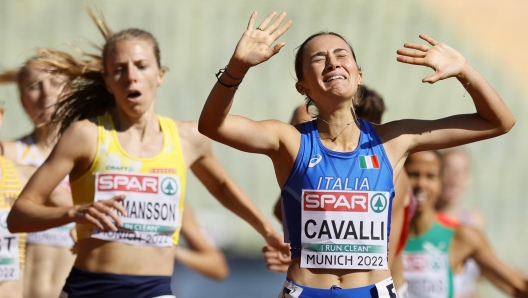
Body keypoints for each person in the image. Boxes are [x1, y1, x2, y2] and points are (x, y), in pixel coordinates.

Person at [198, 11, 515, 297]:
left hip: (372, 291)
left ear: (358, 75)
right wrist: (237, 68)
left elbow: (498, 122)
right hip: (306, 291)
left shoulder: (394, 139)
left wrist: (464, 71)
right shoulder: (289, 140)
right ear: (302, 87)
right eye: (319, 59)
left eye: (341, 55)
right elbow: (213, 126)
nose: (333, 62)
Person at [6, 18, 285, 297]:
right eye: (119, 69)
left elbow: (222, 187)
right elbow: (19, 216)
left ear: (160, 74)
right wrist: (75, 212)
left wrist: (267, 231)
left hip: (154, 289)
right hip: (89, 288)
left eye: (141, 66)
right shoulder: (86, 135)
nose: (131, 76)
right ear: (108, 81)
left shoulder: (187, 139)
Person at [265, 85, 413, 297]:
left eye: (305, 126)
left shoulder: (387, 172)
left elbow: (378, 260)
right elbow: (282, 212)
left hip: (375, 287)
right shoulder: (311, 163)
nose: (305, 133)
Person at [0, 55, 77, 298]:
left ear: (72, 91)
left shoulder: (92, 155)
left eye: (55, 83)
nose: (47, 95)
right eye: (35, 87)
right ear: (22, 99)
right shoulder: (9, 154)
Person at [403, 151, 528, 297]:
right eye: (413, 174)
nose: (421, 184)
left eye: (430, 176)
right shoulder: (386, 235)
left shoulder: (461, 235)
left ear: (440, 182)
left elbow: (518, 286)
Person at [437, 149, 483, 298]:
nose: (454, 178)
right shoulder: (424, 222)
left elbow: (475, 279)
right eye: (448, 170)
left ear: (469, 178)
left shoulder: (476, 222)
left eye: (461, 172)